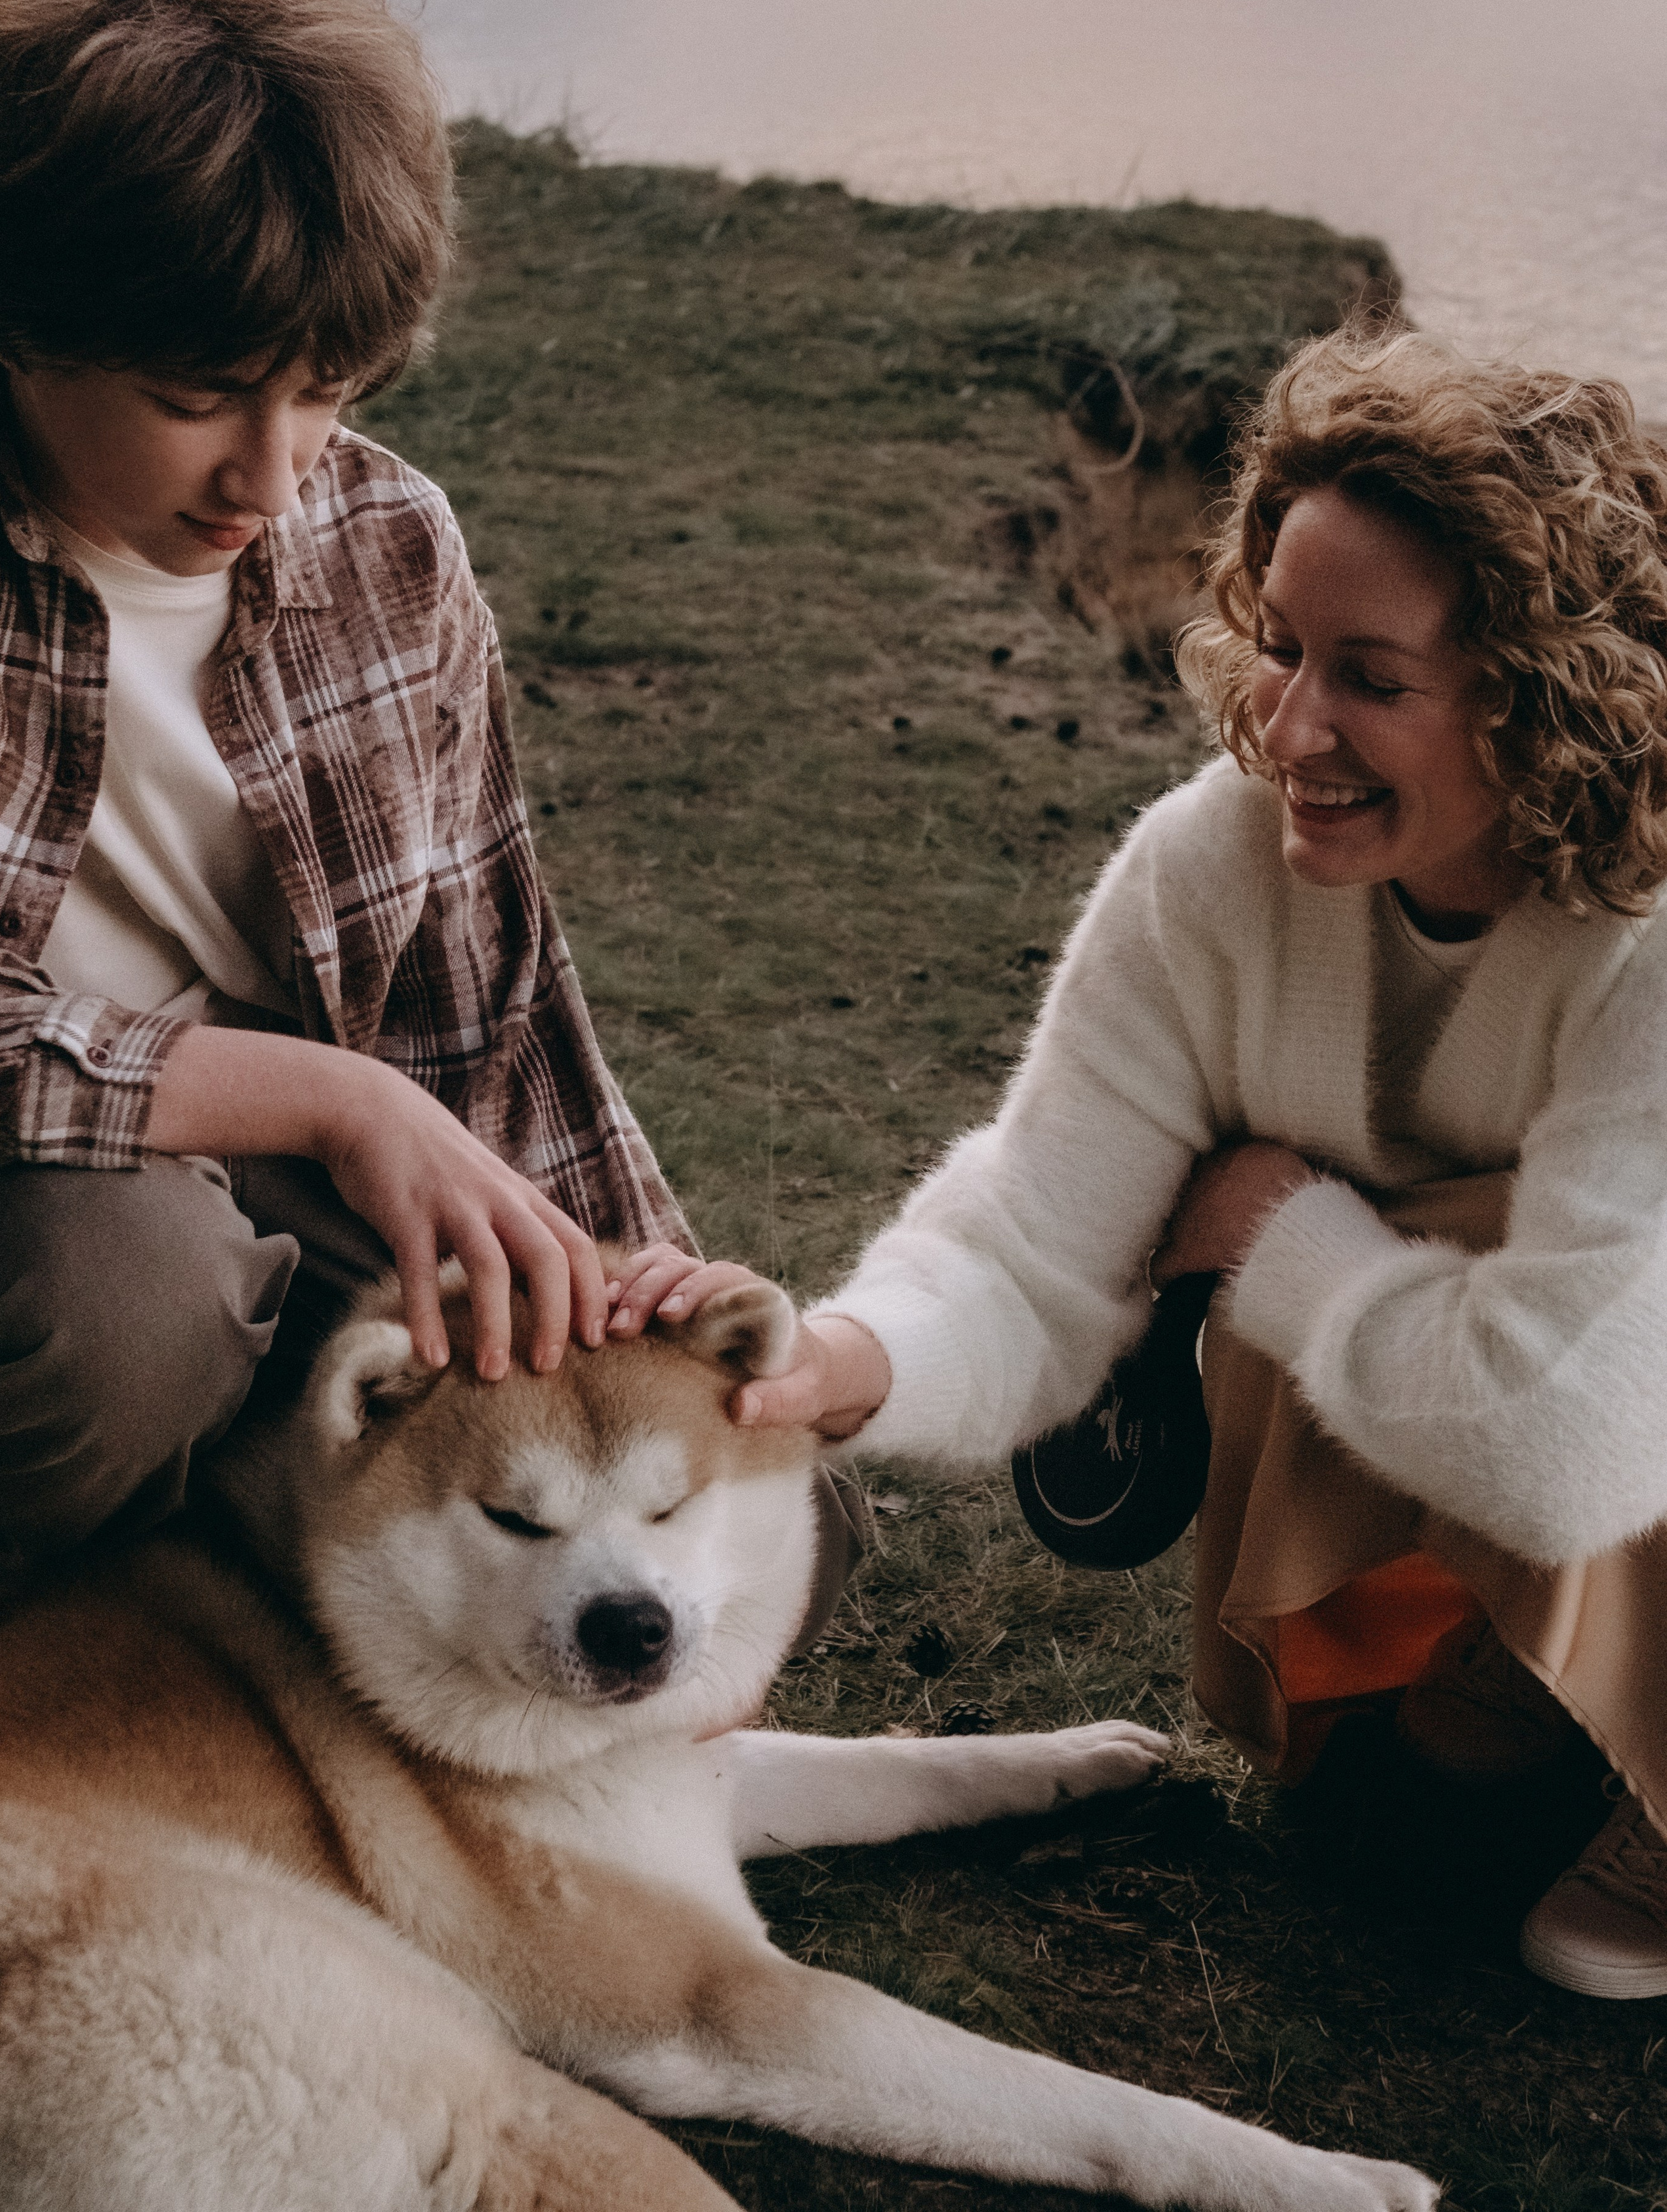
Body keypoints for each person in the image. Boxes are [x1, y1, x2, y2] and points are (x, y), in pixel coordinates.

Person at [619, 328, 1667, 2000]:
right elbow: (1037, 1234)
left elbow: (1569, 1444)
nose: (1290, 725)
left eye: (1369, 679)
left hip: (1595, 1446)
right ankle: (1510, 1678)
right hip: (1443, 1445)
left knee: (1593, 1292)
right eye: (1278, 647)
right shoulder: (1208, 869)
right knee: (1399, 1820)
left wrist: (1281, 1230)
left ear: (1538, 701)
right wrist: (837, 1361)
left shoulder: (1643, 933)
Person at [0, 0, 863, 1605]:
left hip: (297, 1201)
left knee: (777, 1531)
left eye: (326, 387)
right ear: (20, 326)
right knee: (118, 1314)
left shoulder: (385, 541)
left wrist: (634, 1287)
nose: (274, 473)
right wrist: (332, 1093)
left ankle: (241, 1583)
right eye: (200, 397)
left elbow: (488, 1003)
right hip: (66, 1231)